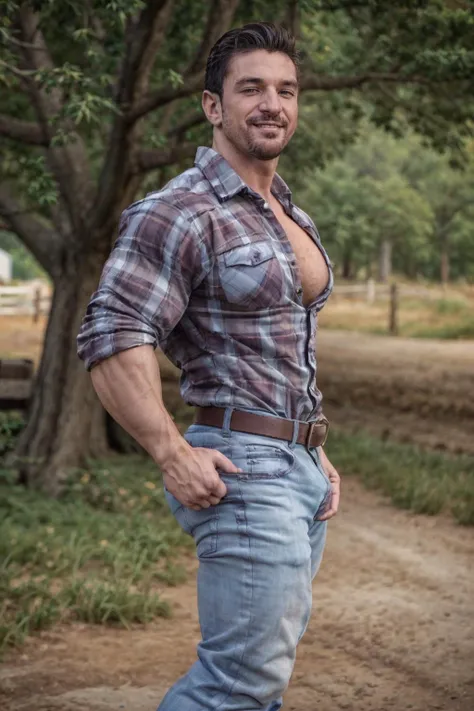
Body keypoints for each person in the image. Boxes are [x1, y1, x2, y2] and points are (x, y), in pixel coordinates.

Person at [77, 21, 340, 711]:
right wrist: (169, 450)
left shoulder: (286, 212)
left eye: (285, 90)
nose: (271, 103)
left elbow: (278, 346)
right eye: (250, 87)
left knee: (259, 681)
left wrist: (312, 443)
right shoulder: (180, 211)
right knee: (236, 687)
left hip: (295, 469)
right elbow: (111, 332)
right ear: (212, 106)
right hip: (242, 471)